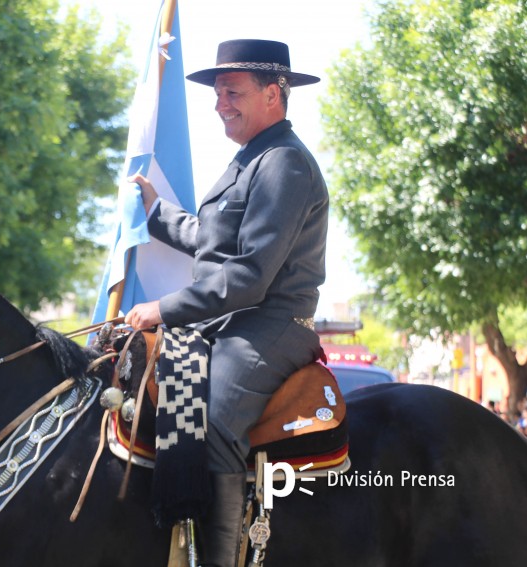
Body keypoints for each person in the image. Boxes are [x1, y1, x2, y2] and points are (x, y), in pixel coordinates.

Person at [124, 39, 328, 567]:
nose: (220, 104)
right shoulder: (253, 158)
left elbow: (250, 275)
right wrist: (155, 213)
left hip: (274, 322)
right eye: (218, 94)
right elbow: (215, 241)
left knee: (211, 419)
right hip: (237, 319)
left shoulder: (285, 163)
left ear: (274, 94)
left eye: (232, 92)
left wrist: (163, 308)